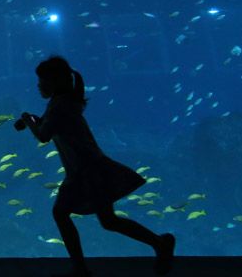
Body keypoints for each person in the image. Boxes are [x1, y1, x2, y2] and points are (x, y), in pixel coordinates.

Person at [18, 55, 175, 277]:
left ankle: (80, 268)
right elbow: (52, 126)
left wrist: (28, 121)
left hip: (86, 171)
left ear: (54, 81)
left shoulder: (59, 105)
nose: (38, 85)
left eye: (41, 80)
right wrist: (37, 120)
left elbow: (44, 136)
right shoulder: (63, 102)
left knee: (62, 213)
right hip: (88, 168)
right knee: (107, 221)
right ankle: (159, 243)